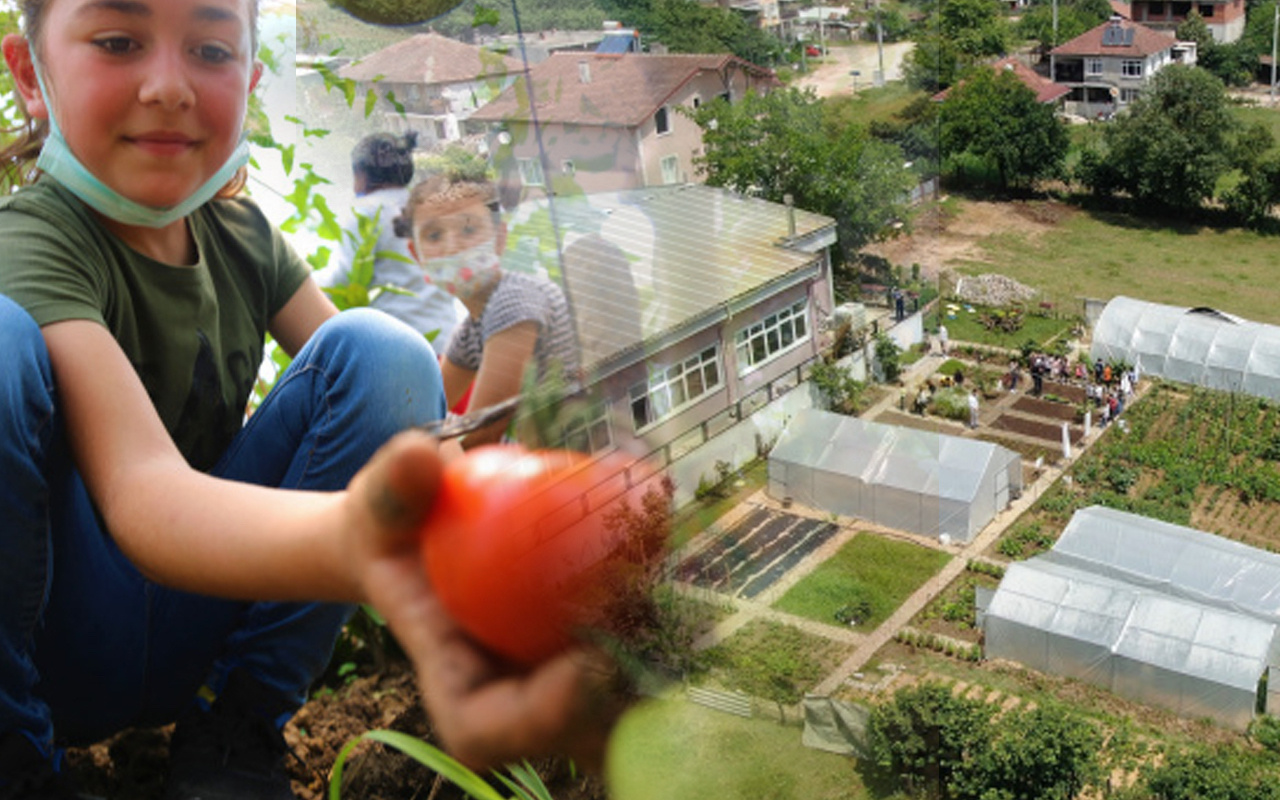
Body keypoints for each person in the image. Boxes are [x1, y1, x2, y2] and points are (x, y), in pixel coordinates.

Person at [0, 2, 617, 797]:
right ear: (31, 75)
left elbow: (390, 399)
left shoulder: (241, 233)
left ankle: (235, 730)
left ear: (250, 81)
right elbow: (142, 496)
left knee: (381, 349)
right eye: (118, 41)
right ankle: (18, 765)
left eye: (210, 50)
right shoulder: (33, 243)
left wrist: (499, 529)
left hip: (199, 615)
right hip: (57, 644)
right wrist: (368, 541)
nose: (168, 86)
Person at [396, 170, 580, 452]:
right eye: (433, 235)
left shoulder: (515, 300)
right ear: (416, 255)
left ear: (499, 238)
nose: (452, 246)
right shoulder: (470, 332)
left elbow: (482, 435)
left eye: (468, 229)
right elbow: (429, 409)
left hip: (571, 462)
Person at [316, 131, 459, 356]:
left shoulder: (366, 212)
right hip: (448, 344)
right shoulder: (429, 208)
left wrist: (299, 281)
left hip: (400, 349)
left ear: (362, 174)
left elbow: (341, 279)